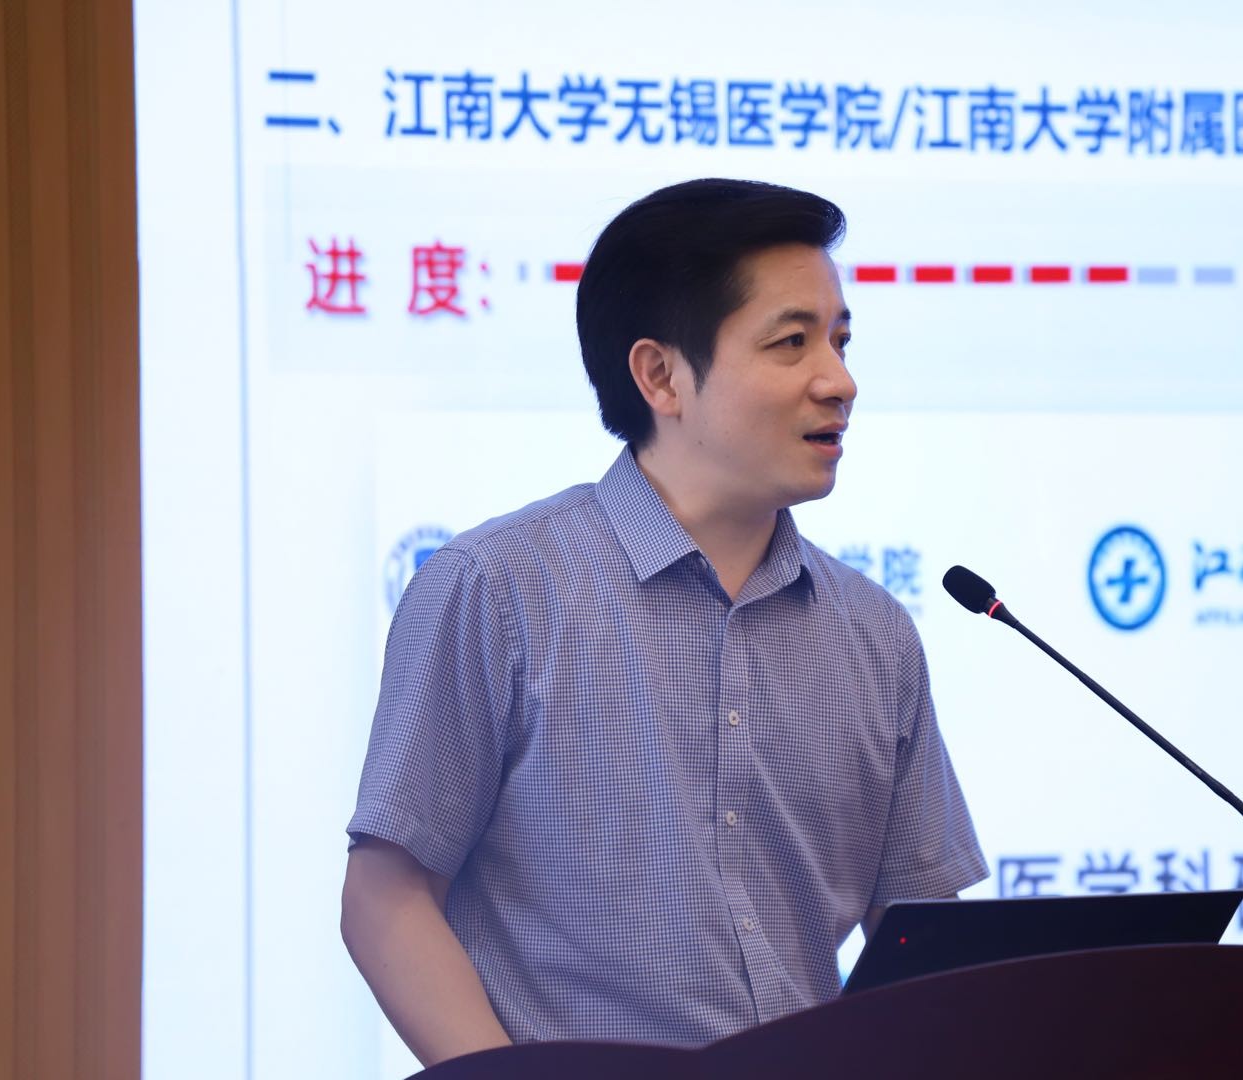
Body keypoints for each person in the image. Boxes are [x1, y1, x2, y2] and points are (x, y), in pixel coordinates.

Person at [341, 178, 987, 1067]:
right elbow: (386, 897)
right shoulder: (499, 590)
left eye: (840, 341)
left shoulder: (874, 633)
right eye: (791, 342)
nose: (838, 381)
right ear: (659, 376)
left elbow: (919, 936)